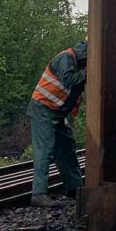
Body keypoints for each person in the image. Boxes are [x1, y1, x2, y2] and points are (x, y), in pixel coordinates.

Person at [28, 40, 87, 207]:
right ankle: (38, 194)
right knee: (44, 150)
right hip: (43, 109)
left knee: (67, 147)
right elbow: (69, 80)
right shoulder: (66, 58)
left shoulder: (79, 65)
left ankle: (74, 188)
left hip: (59, 112)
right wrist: (88, 73)